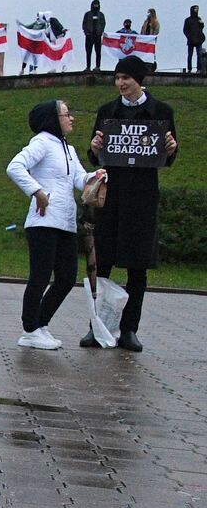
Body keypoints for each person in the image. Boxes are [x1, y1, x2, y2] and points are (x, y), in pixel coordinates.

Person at [81, 55, 178, 352]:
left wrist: (172, 149)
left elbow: (168, 154)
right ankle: (98, 327)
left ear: (140, 80)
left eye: (127, 78)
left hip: (142, 200)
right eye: (118, 78)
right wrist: (94, 149)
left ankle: (129, 329)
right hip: (111, 199)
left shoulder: (161, 111)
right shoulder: (107, 111)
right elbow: (98, 155)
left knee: (137, 267)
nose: (121, 84)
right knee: (104, 264)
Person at [6, 101, 102, 349]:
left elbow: (80, 179)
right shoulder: (42, 142)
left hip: (65, 222)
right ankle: (29, 330)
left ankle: (40, 324)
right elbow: (15, 166)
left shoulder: (67, 149)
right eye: (66, 114)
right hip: (43, 221)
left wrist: (97, 176)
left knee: (67, 277)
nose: (72, 118)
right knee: (40, 276)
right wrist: (36, 191)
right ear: (52, 118)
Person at [83, 0, 106, 71]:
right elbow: (84, 23)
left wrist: (100, 32)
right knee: (88, 52)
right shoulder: (87, 14)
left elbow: (103, 23)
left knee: (98, 52)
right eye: (95, 4)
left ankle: (98, 66)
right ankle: (88, 67)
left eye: (97, 4)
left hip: (98, 36)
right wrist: (86, 32)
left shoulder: (101, 14)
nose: (96, 6)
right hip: (89, 36)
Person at [184, 5, 204, 74]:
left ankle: (199, 69)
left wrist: (202, 24)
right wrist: (189, 37)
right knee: (190, 55)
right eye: (195, 9)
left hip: (198, 41)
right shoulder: (188, 20)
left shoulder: (199, 19)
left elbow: (201, 28)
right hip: (191, 41)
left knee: (199, 55)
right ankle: (189, 69)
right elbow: (185, 30)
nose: (196, 11)